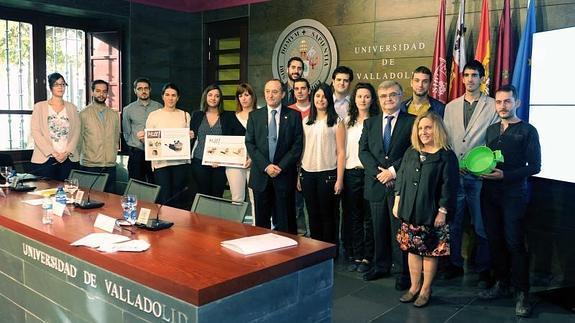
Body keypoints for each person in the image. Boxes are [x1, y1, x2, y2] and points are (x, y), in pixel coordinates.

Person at [478, 85, 541, 317]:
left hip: (514, 195)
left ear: (517, 103)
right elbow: (488, 159)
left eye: (507, 101)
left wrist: (506, 175)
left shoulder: (528, 131)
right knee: (494, 240)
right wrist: (474, 168)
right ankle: (501, 283)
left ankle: (522, 293)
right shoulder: (491, 130)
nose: (502, 106)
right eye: (498, 102)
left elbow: (535, 167)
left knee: (514, 243)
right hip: (488, 194)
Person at [393, 111, 459, 308]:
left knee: (429, 252)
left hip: (432, 214)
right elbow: (402, 178)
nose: (424, 132)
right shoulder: (411, 152)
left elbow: (450, 186)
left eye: (428, 127)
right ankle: (414, 287)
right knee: (413, 250)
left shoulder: (446, 155)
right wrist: (397, 201)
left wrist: (443, 211)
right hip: (410, 211)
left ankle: (426, 290)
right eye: (421, 128)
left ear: (437, 129)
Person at [442, 60, 498, 286]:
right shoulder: (451, 106)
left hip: (480, 177)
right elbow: (446, 140)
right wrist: (455, 165)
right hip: (455, 176)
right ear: (462, 78)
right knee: (453, 223)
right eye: (466, 75)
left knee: (481, 224)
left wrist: (478, 165)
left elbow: (494, 140)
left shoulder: (493, 105)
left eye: (475, 75)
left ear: (483, 78)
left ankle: (484, 268)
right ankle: (453, 264)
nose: (470, 79)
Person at [359, 80, 415, 290]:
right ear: (379, 99)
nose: (388, 99)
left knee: (398, 230)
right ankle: (381, 265)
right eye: (383, 96)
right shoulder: (370, 123)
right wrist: (378, 173)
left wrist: (392, 172)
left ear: (401, 96)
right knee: (378, 227)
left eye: (393, 95)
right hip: (375, 184)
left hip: (400, 185)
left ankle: (402, 272)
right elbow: (363, 151)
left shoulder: (412, 122)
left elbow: (413, 150)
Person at [245, 79, 303, 234]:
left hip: (283, 176)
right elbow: (250, 144)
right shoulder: (254, 116)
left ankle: (288, 255)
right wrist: (266, 166)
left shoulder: (293, 116)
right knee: (261, 224)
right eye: (267, 91)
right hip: (261, 176)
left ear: (283, 94)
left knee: (286, 222)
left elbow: (297, 146)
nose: (270, 95)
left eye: (275, 92)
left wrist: (280, 167)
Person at [299, 83, 345, 243]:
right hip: (307, 174)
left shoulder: (336, 122)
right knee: (312, 213)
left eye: (324, 96)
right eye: (318, 96)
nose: (321, 99)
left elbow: (341, 152)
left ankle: (329, 251)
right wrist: (299, 175)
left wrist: (339, 179)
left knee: (328, 215)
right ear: (313, 98)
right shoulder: (305, 121)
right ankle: (315, 250)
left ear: (329, 99)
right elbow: (302, 149)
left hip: (328, 174)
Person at [343, 83, 380, 273]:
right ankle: (356, 255)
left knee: (369, 218)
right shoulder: (347, 121)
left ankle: (368, 257)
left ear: (372, 99)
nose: (363, 100)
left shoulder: (377, 121)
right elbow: (342, 151)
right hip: (351, 173)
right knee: (354, 217)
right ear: (354, 99)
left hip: (370, 174)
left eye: (367, 96)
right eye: (359, 96)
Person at [190, 84, 242, 199]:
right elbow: (190, 135)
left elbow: (240, 135)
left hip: (220, 164)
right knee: (202, 196)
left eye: (217, 96)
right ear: (205, 97)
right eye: (210, 95)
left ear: (220, 99)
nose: (213, 98)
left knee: (217, 196)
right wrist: (189, 135)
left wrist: (226, 157)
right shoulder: (197, 115)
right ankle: (202, 218)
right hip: (199, 162)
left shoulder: (228, 116)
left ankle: (214, 217)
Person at [145, 83, 191, 209]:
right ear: (162, 97)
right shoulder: (154, 115)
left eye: (173, 95)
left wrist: (189, 136)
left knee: (178, 197)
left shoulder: (185, 115)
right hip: (161, 163)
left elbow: (186, 140)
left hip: (180, 162)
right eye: (167, 95)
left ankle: (178, 226)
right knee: (164, 198)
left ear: (178, 98)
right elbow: (149, 140)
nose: (170, 98)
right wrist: (144, 138)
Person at [30, 72, 80, 181]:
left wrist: (66, 153)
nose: (60, 87)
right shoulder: (40, 107)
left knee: (69, 193)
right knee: (45, 193)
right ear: (50, 87)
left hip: (68, 159)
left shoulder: (72, 107)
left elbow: (77, 131)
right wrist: (53, 153)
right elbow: (36, 132)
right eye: (56, 84)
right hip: (45, 158)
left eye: (63, 84)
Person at [78, 80, 120, 193]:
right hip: (90, 165)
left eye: (104, 91)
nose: (101, 94)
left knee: (110, 202)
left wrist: (112, 155)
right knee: (90, 200)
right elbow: (79, 140)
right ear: (92, 92)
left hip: (110, 166)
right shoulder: (83, 114)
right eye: (98, 91)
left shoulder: (114, 115)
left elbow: (116, 138)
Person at [225, 83, 257, 223]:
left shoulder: (260, 115)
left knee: (255, 197)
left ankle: (258, 228)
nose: (243, 98)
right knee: (237, 198)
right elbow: (225, 141)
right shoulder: (231, 117)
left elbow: (263, 141)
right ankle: (236, 229)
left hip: (255, 162)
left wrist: (254, 159)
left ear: (252, 96)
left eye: (246, 94)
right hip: (235, 163)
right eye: (240, 95)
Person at [122, 77, 162, 183]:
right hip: (137, 154)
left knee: (155, 184)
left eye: (146, 88)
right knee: (136, 185)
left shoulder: (159, 107)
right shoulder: (128, 109)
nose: (143, 91)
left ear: (150, 90)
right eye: (139, 89)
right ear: (135, 90)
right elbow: (126, 132)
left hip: (155, 153)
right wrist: (134, 144)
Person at [288, 77, 312, 235]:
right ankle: (300, 238)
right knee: (295, 206)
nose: (300, 91)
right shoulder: (288, 110)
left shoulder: (317, 108)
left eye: (303, 88)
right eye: (297, 89)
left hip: (312, 162)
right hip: (292, 164)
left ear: (309, 90)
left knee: (312, 206)